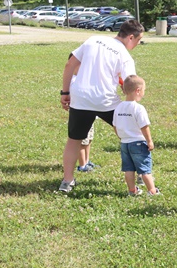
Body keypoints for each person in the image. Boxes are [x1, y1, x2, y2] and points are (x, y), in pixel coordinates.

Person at [58, 19, 144, 193]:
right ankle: (142, 174)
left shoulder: (93, 39)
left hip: (81, 98)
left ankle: (67, 181)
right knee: (131, 135)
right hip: (106, 101)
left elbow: (70, 64)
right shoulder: (125, 56)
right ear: (130, 37)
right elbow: (131, 83)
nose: (138, 44)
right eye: (138, 40)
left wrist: (65, 92)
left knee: (74, 141)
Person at [113, 75, 159, 196]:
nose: (143, 93)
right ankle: (152, 191)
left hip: (125, 143)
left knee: (128, 169)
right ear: (138, 90)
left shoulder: (119, 107)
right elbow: (144, 126)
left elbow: (115, 125)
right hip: (138, 143)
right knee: (145, 169)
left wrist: (121, 136)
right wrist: (149, 141)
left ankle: (132, 190)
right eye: (143, 90)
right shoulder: (138, 108)